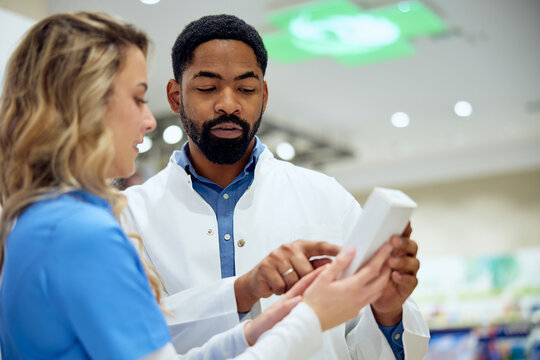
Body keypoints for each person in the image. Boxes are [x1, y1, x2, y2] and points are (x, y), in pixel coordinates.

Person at [0, 11, 396, 360]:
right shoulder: (83, 230)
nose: (149, 120)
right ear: (88, 104)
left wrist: (265, 320)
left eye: (245, 87)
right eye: (139, 98)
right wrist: (312, 317)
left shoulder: (44, 222)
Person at [122, 14, 430, 360]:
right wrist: (242, 290)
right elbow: (125, 333)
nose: (228, 103)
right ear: (176, 96)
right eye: (208, 87)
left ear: (264, 96)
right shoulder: (129, 214)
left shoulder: (327, 198)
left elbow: (362, 344)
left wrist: (387, 311)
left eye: (246, 88)